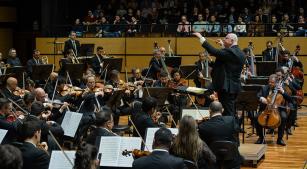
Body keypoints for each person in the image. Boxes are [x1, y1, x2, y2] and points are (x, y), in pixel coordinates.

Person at [193, 32, 245, 116]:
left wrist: (201, 37)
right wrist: (223, 46)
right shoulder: (238, 52)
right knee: (228, 110)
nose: (223, 39)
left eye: (226, 38)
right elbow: (225, 61)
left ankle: (230, 128)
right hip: (232, 87)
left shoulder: (232, 52)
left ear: (232, 40)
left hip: (227, 88)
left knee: (228, 112)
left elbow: (213, 51)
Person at [198, 101, 241, 169]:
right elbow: (237, 131)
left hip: (212, 162)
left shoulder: (202, 126)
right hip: (232, 159)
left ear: (209, 110)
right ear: (222, 110)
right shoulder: (231, 120)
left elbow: (203, 145)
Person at [254, 74, 292, 146]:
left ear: (276, 83)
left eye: (272, 82)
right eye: (269, 82)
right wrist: (261, 98)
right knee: (256, 117)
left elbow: (290, 99)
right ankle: (260, 137)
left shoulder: (282, 88)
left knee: (283, 117)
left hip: (278, 110)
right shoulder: (264, 88)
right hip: (265, 109)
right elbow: (258, 95)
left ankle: (280, 139)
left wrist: (283, 92)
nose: (270, 84)